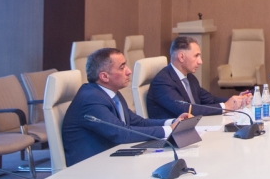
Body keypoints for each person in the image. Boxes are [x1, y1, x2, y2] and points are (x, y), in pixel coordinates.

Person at [62, 48, 192, 167]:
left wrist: (173, 122)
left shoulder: (111, 93)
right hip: (90, 168)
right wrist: (169, 130)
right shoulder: (91, 99)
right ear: (104, 76)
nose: (129, 71)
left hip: (112, 158)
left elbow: (137, 122)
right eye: (122, 67)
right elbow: (121, 134)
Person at [146, 36, 250, 119]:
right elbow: (185, 109)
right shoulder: (162, 81)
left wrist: (236, 100)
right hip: (173, 135)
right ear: (181, 57)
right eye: (196, 56)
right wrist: (225, 106)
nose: (200, 61)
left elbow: (210, 99)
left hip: (195, 127)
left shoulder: (190, 78)